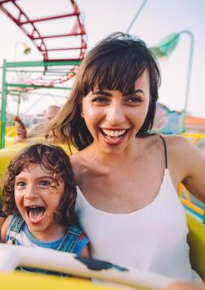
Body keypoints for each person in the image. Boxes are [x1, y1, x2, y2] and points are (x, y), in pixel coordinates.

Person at [48, 32, 205, 282]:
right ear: (81, 105)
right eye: (101, 99)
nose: (115, 117)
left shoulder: (175, 152)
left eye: (133, 99)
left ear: (150, 104)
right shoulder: (62, 176)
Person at [0, 143, 89, 274]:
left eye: (44, 183)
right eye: (21, 184)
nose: (30, 194)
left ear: (65, 190)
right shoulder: (11, 226)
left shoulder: (76, 246)